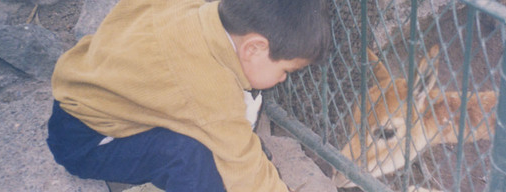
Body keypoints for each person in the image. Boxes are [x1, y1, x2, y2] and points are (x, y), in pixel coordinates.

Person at [45, 0, 330, 191]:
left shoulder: (197, 11)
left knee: (226, 127)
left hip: (85, 86)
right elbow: (247, 171)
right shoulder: (210, 89)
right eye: (287, 70)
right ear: (253, 48)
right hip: (87, 142)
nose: (284, 78)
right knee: (193, 158)